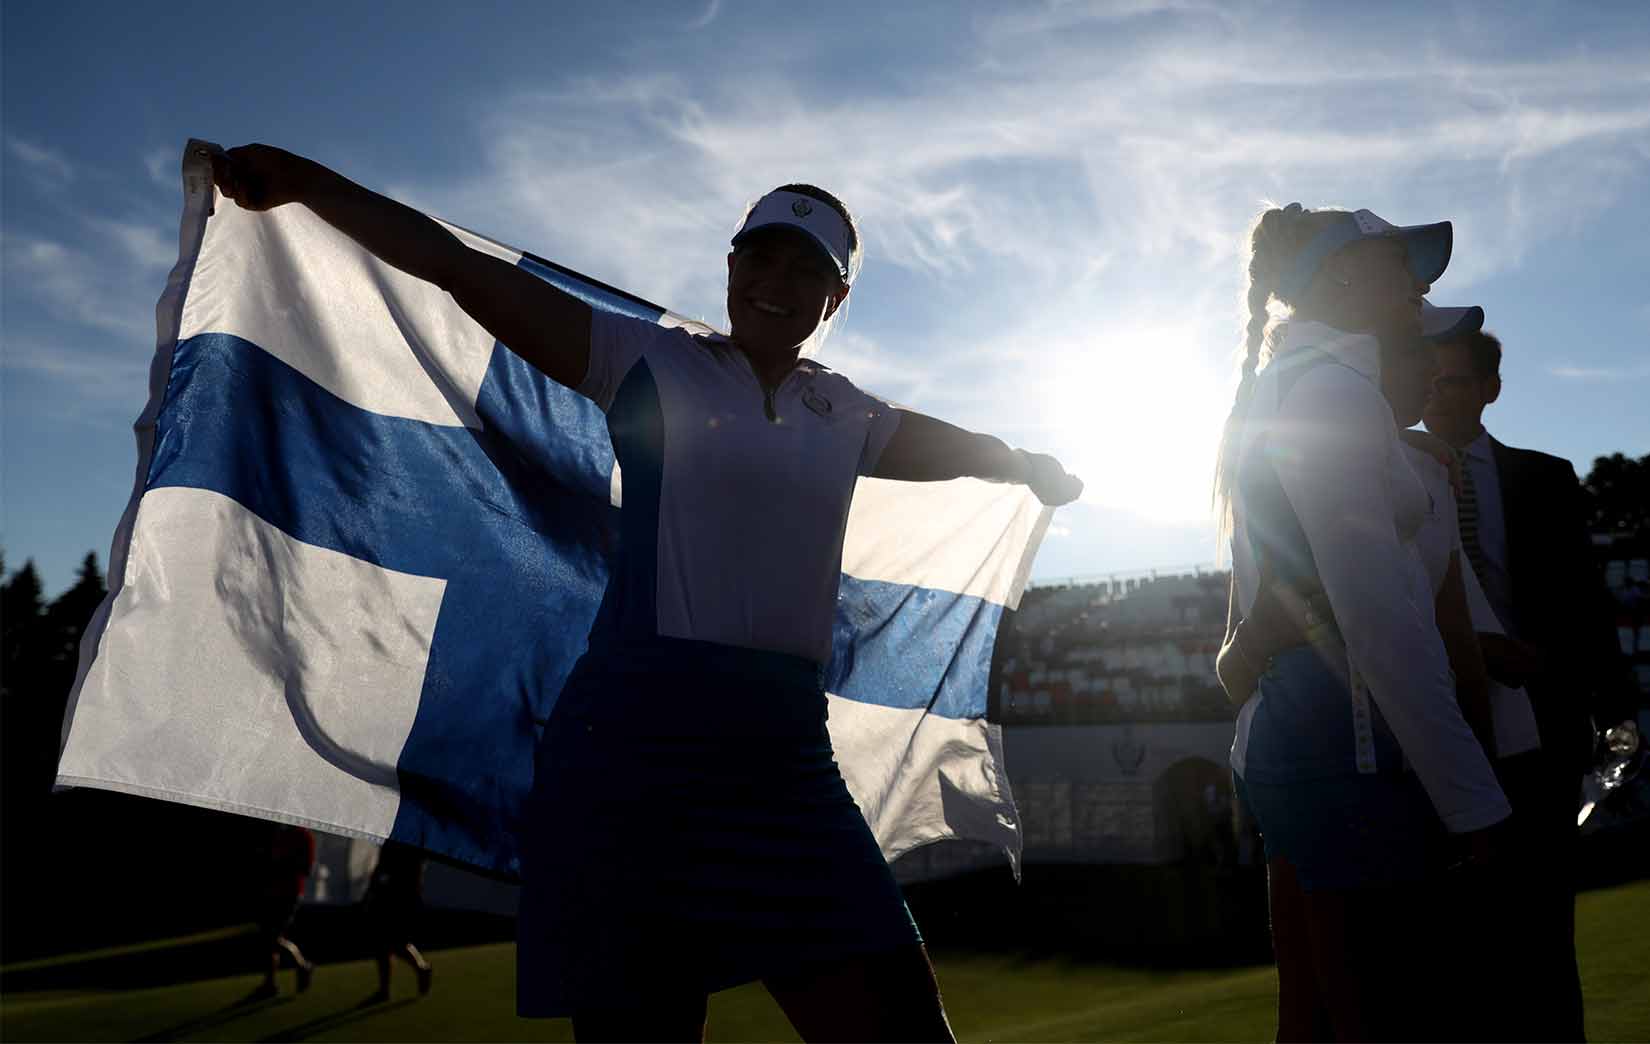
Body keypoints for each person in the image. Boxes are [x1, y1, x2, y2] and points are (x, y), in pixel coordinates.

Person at [210, 144, 1081, 1042]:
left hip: (786, 770)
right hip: (632, 763)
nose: (779, 281)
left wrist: (1017, 462)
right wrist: (313, 185)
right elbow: (458, 270)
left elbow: (939, 444)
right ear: (733, 263)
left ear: (838, 300)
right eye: (764, 255)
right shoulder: (648, 362)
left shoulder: (849, 414)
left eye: (808, 269)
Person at [1213, 203, 1511, 1042]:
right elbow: (1381, 621)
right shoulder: (1330, 394)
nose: (1419, 286)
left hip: (1330, 740)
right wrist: (1479, 806)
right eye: (1401, 264)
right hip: (1341, 746)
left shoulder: (1319, 391)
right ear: (1343, 276)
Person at [1423, 324, 1639, 1041]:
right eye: (1427, 378)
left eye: (1451, 380)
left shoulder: (1544, 477)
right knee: (1452, 952)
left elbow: (1582, 598)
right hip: (1436, 732)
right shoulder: (1390, 473)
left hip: (1541, 732)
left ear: (1490, 391)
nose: (1435, 394)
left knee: (1544, 937)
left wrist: (1608, 704)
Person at [251, 822, 318, 1000]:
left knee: (272, 937)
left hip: (289, 893)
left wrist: (282, 864)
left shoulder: (303, 835)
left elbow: (307, 868)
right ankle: (270, 983)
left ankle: (302, 967)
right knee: (270, 939)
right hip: (271, 892)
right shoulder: (279, 832)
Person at [363, 841, 433, 1003]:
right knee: (386, 942)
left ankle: (420, 969)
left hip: (400, 895)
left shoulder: (406, 840)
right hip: (394, 893)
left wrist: (372, 891)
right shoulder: (405, 839)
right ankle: (385, 989)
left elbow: (384, 867)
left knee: (393, 941)